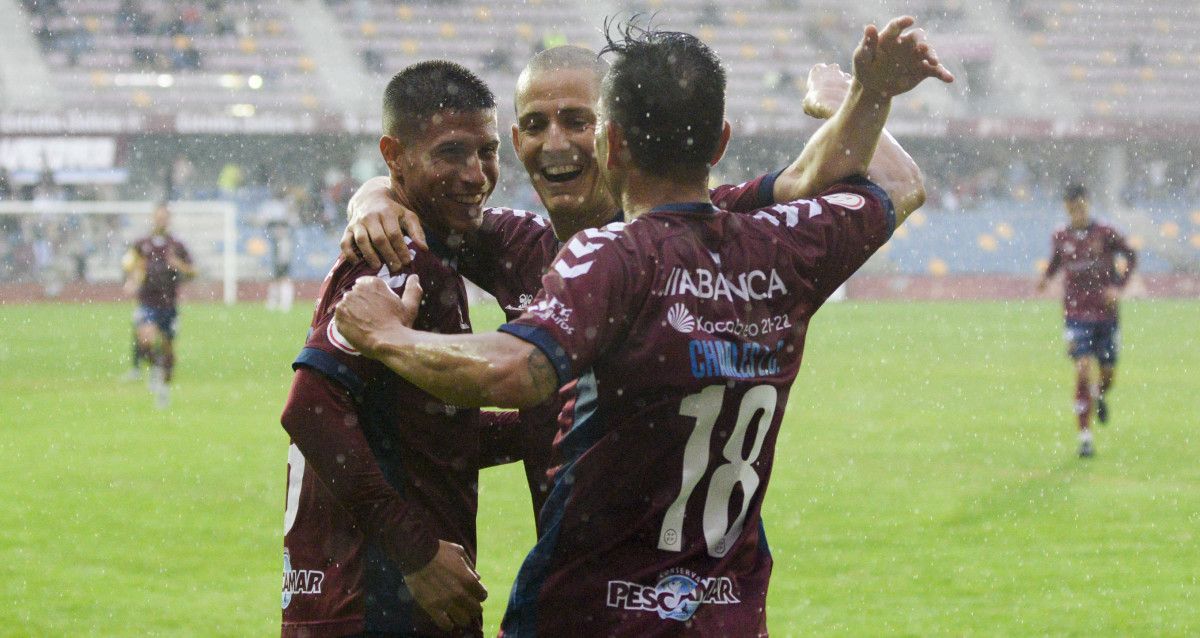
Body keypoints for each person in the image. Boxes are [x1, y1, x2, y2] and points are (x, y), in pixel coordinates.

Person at [333, 17, 950, 634]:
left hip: (592, 609)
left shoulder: (616, 254)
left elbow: (515, 371)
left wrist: (386, 334)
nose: (555, 143)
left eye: (578, 121)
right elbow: (889, 183)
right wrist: (375, 196)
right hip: (721, 613)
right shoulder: (773, 243)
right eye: (533, 124)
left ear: (611, 140)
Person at [278, 61, 493, 636]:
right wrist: (417, 553)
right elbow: (309, 410)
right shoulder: (400, 258)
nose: (477, 174)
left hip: (342, 597)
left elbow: (421, 430)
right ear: (394, 155)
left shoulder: (424, 246)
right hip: (375, 600)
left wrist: (555, 422)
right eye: (451, 153)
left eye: (488, 152)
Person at [1036, 184, 1137, 458]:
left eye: (1080, 207)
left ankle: (1100, 393)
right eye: (1072, 209)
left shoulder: (1105, 233)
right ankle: (1085, 438)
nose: (1077, 213)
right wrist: (1046, 277)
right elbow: (1056, 261)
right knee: (1082, 367)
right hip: (1075, 314)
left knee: (1107, 374)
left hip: (1106, 314)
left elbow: (1131, 255)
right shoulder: (1061, 236)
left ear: (1088, 204)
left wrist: (1119, 287)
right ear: (1066, 209)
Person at [122, 203, 194, 408]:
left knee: (168, 351)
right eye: (158, 216)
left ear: (168, 219)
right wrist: (133, 278)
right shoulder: (141, 243)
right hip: (148, 302)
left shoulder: (176, 245)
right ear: (153, 218)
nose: (161, 220)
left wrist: (178, 265)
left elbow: (193, 272)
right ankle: (154, 368)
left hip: (169, 303)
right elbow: (131, 265)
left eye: (164, 217)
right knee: (145, 340)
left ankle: (164, 388)